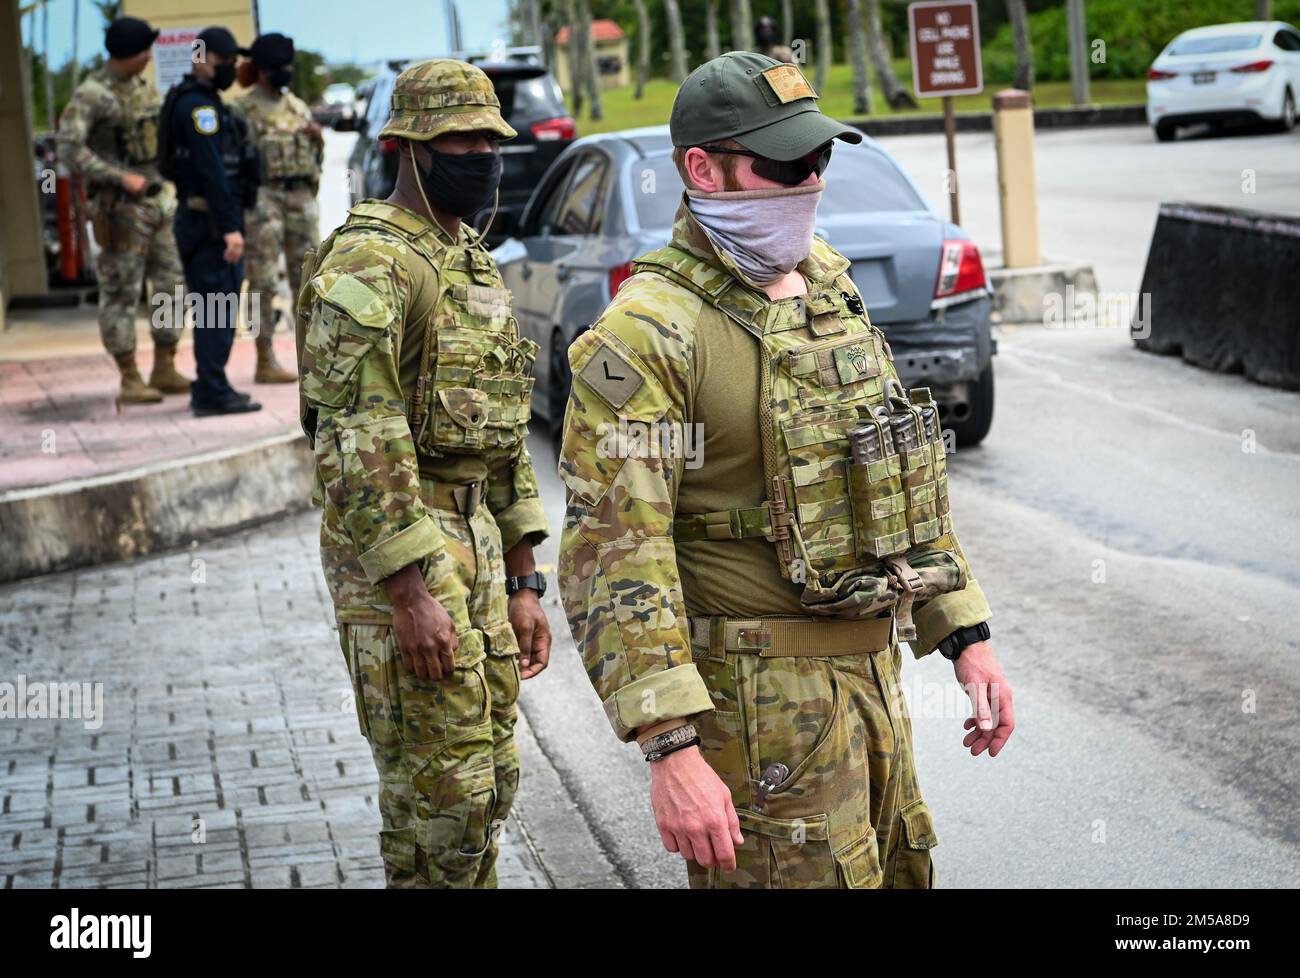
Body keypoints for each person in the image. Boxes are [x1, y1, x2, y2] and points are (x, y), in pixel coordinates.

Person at [556, 52, 1015, 889]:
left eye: (819, 159)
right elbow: (614, 558)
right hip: (757, 712)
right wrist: (670, 749)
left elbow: (896, 478)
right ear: (703, 168)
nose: (808, 180)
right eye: (782, 163)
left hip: (872, 687)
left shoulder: (826, 287)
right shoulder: (646, 334)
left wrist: (962, 633)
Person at [298, 59, 551, 888]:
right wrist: (408, 592)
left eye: (490, 137)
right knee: (437, 799)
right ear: (405, 145)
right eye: (459, 139)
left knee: (489, 784)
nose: (482, 153)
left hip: (477, 542)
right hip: (402, 555)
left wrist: (524, 578)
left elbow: (504, 433)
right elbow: (354, 436)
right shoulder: (369, 263)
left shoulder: (469, 258)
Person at [57, 15, 191, 404]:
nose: (150, 57)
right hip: (118, 210)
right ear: (128, 53)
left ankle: (164, 365)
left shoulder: (142, 87)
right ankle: (129, 376)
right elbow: (68, 149)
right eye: (144, 50)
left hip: (158, 205)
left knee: (171, 285)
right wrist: (117, 177)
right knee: (121, 293)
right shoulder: (92, 94)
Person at [162, 26, 261, 416]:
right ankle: (211, 391)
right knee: (216, 308)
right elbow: (211, 172)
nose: (230, 69)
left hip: (202, 218)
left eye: (234, 63)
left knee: (214, 307)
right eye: (224, 62)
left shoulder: (190, 100)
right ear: (201, 58)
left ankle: (212, 384)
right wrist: (231, 228)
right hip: (209, 223)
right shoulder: (199, 108)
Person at [233, 32, 322, 384]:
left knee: (311, 279)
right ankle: (264, 357)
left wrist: (317, 142)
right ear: (263, 69)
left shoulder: (296, 106)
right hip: (264, 201)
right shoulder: (242, 110)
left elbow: (316, 160)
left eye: (289, 66)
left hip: (301, 197)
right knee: (262, 282)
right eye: (278, 67)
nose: (285, 72)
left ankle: (313, 357)